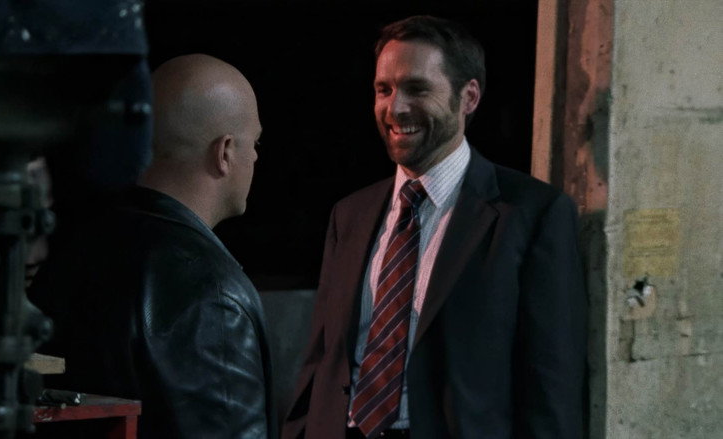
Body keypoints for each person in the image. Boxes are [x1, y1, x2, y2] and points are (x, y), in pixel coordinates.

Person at [283, 16, 586, 439]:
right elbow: (320, 361)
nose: (395, 108)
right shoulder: (349, 215)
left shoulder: (532, 214)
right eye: (384, 90)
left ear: (469, 97)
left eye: (417, 89)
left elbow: (551, 387)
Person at [31, 54, 275, 438]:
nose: (257, 156)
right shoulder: (213, 295)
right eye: (255, 142)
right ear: (225, 151)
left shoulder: (73, 250)